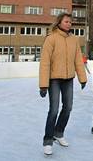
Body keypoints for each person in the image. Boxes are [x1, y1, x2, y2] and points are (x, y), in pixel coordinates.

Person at [39, 13, 87, 155]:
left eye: (70, 22)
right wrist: (43, 85)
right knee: (53, 110)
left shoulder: (74, 40)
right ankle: (48, 140)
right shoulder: (51, 38)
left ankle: (58, 133)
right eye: (66, 21)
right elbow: (45, 62)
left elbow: (78, 60)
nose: (69, 24)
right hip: (54, 79)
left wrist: (82, 78)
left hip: (68, 79)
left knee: (68, 107)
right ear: (59, 22)